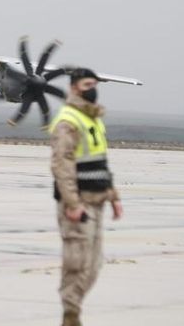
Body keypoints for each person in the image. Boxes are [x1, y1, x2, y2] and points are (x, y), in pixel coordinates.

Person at [49, 68, 123, 326]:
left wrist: (113, 196)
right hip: (78, 204)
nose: (92, 88)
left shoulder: (93, 119)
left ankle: (72, 311)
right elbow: (62, 165)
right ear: (73, 87)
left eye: (94, 83)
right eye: (87, 84)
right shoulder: (68, 120)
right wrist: (71, 203)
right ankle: (70, 317)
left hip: (98, 200)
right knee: (77, 264)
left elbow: (100, 160)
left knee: (93, 266)